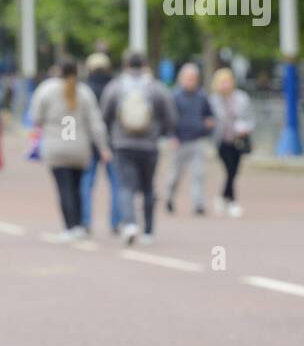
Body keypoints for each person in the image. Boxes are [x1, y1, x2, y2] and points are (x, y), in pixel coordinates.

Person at [101, 51, 177, 246]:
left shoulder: (116, 87)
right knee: (148, 186)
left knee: (126, 186)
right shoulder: (155, 87)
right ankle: (149, 230)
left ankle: (130, 224)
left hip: (122, 144)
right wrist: (164, 134)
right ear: (144, 64)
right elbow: (169, 114)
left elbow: (105, 115)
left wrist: (110, 139)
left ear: (125, 64)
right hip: (149, 145)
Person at [29, 59, 110, 239]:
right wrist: (103, 147)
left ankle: (69, 226)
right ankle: (80, 224)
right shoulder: (84, 92)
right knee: (77, 187)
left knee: (64, 188)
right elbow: (96, 123)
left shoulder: (47, 90)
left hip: (56, 147)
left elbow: (36, 117)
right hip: (79, 147)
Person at [164, 63, 214, 216]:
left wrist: (208, 125)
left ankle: (198, 204)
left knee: (198, 174)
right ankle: (169, 198)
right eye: (188, 78)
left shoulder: (202, 96)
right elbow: (169, 119)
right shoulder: (174, 96)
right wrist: (172, 136)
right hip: (180, 141)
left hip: (197, 140)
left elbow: (209, 115)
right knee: (175, 175)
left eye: (194, 78)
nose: (191, 80)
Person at [80, 52, 122, 233]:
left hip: (89, 142)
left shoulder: (84, 89)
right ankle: (116, 222)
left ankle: (85, 221)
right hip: (113, 141)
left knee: (87, 182)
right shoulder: (116, 88)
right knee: (116, 183)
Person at [208, 67, 255, 218]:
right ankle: (232, 201)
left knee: (234, 171)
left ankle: (223, 198)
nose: (225, 85)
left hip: (238, 140)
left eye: (227, 81)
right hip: (221, 140)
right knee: (230, 170)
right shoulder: (213, 100)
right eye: (222, 82)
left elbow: (251, 118)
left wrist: (245, 128)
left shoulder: (242, 98)